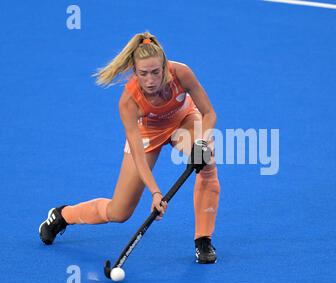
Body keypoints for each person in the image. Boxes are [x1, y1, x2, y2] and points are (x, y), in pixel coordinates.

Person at [38, 31, 221, 264]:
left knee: (207, 162)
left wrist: (202, 142)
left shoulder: (182, 72)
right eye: (143, 73)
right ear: (135, 71)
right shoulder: (128, 101)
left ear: (165, 66)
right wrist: (156, 192)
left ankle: (203, 240)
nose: (151, 80)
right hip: (147, 134)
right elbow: (138, 154)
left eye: (156, 72)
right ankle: (63, 215)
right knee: (119, 212)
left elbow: (209, 113)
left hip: (183, 122)